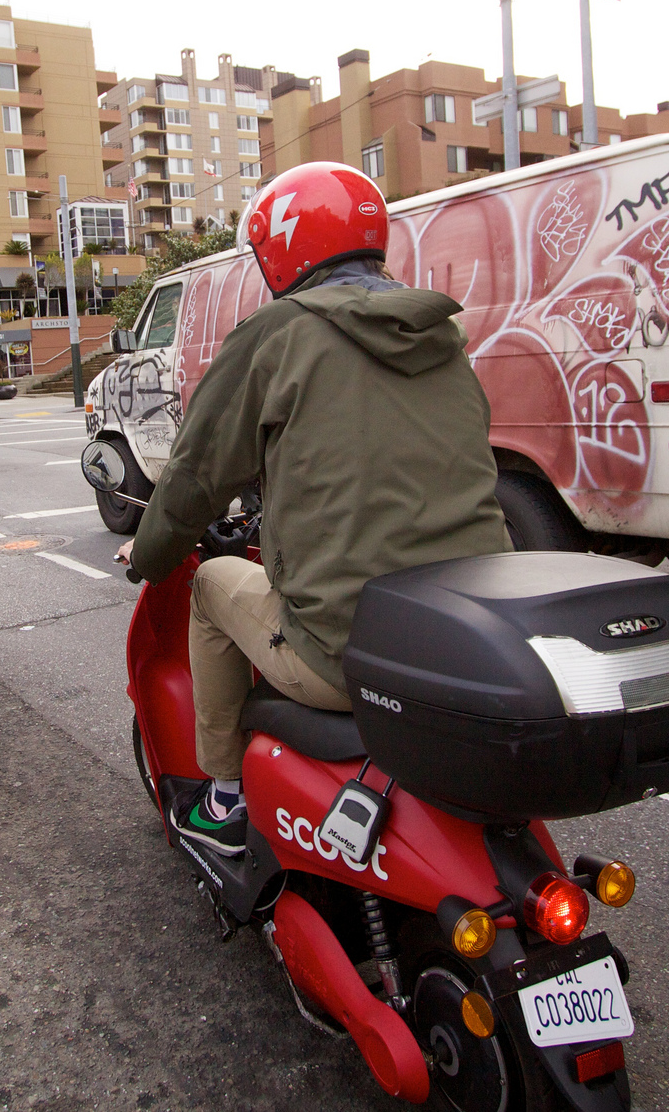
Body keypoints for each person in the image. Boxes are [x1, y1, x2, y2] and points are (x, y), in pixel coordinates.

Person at [119, 162, 510, 857]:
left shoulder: (277, 334)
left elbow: (192, 477)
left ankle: (225, 794)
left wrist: (148, 553)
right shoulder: (441, 338)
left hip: (345, 655)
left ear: (282, 250)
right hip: (466, 642)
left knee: (210, 587)